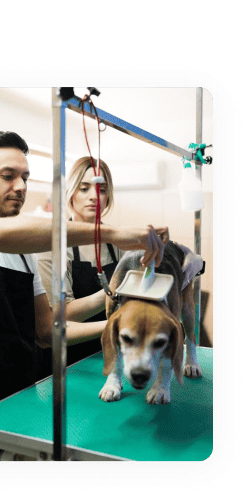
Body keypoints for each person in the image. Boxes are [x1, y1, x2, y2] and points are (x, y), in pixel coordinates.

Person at [0, 131, 170, 462]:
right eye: (8, 175)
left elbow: (48, 333)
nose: (20, 186)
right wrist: (114, 232)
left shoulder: (23, 255)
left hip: (17, 400)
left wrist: (118, 329)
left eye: (25, 177)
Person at [36, 156, 206, 373]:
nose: (94, 197)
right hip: (69, 362)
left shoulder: (116, 241)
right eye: (84, 188)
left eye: (102, 189)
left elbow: (159, 262)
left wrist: (189, 257)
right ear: (70, 192)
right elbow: (58, 317)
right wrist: (112, 294)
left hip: (116, 352)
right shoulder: (53, 247)